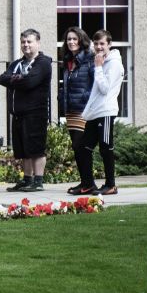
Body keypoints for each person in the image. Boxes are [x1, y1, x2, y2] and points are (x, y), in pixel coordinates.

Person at [0, 28, 53, 193]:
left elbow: (30, 82)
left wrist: (15, 80)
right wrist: (19, 78)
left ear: (38, 43)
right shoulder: (17, 64)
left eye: (29, 41)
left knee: (35, 148)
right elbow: (3, 78)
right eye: (23, 42)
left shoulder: (43, 63)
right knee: (23, 150)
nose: (25, 45)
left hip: (35, 112)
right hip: (18, 113)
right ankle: (27, 179)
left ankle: (38, 181)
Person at [77, 29, 123, 196]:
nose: (98, 47)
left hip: (106, 112)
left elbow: (104, 89)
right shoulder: (101, 59)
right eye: (96, 43)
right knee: (84, 147)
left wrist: (98, 68)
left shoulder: (114, 64)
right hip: (95, 112)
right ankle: (88, 184)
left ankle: (111, 185)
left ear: (109, 44)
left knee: (105, 148)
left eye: (102, 43)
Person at [60, 27, 97, 195]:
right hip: (71, 110)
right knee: (76, 147)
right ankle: (85, 182)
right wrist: (62, 97)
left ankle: (89, 183)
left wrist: (85, 98)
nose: (71, 42)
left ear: (81, 40)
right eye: (69, 39)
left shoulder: (89, 59)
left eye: (75, 39)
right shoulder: (69, 60)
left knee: (80, 146)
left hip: (83, 109)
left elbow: (96, 83)